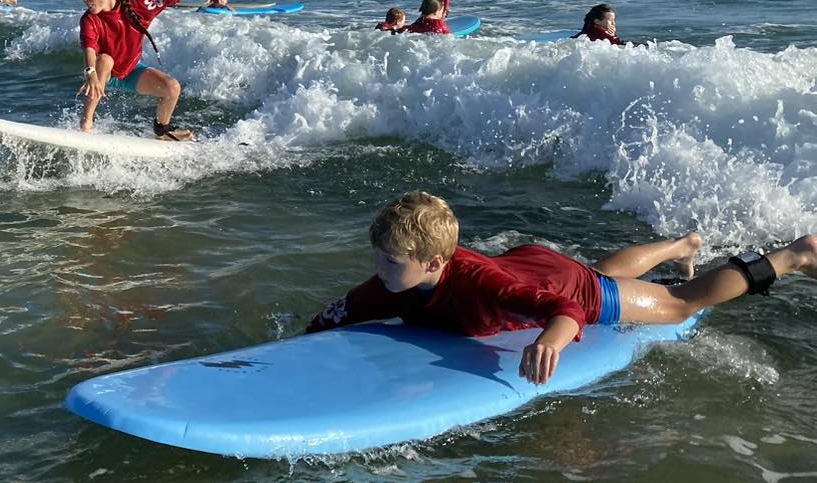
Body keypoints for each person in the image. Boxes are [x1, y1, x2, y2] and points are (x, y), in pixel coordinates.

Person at [305, 191, 817, 385]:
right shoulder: (387, 285)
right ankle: (683, 243)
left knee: (680, 303)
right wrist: (304, 341)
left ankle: (796, 254)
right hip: (533, 266)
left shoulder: (484, 287)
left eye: (389, 260)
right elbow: (337, 313)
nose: (378, 268)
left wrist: (550, 340)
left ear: (434, 261)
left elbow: (569, 307)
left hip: (561, 287)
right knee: (597, 271)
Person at [77, 0, 248, 140]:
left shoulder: (140, 8)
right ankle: (86, 124)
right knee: (105, 59)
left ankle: (162, 133)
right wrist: (91, 74)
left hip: (131, 71)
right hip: (104, 74)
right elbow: (90, 48)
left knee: (172, 87)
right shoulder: (90, 19)